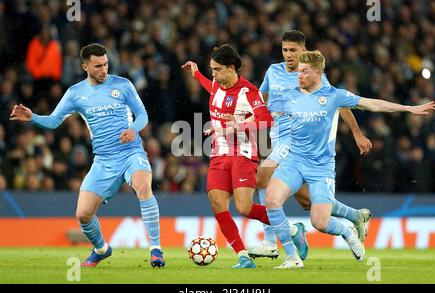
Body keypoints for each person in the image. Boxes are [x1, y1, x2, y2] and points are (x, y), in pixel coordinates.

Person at [265, 50, 435, 269]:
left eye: (304, 72)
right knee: (272, 200)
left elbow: (372, 104)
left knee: (320, 222)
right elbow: (263, 112)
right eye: (298, 71)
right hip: (294, 161)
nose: (299, 76)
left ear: (318, 73)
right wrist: (237, 122)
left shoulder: (335, 96)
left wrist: (408, 108)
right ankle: (292, 258)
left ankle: (347, 230)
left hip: (321, 167)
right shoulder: (290, 96)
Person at [10, 43, 165, 268]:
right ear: (85, 66)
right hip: (103, 160)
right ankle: (101, 249)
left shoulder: (123, 85)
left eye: (106, 64)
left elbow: (142, 115)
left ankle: (156, 249)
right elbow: (54, 121)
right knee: (83, 214)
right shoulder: (75, 93)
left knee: (143, 186)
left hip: (131, 152)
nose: (104, 69)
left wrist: (134, 129)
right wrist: (33, 116)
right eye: (98, 66)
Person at [250, 30, 373, 259]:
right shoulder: (273, 71)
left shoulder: (310, 75)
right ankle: (354, 217)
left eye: (293, 50)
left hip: (294, 139)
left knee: (262, 177)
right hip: (277, 137)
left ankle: (270, 241)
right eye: (285, 50)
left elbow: (338, 103)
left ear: (303, 51)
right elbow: (261, 98)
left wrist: (357, 133)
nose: (288, 54)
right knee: (308, 202)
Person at [181, 44, 285, 268]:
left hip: (243, 153)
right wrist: (196, 73)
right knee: (217, 202)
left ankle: (292, 229)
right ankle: (243, 256)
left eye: (217, 70)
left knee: (244, 208)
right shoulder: (217, 86)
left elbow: (267, 119)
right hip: (219, 153)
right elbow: (212, 88)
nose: (214, 74)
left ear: (231, 68)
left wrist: (238, 125)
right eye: (212, 69)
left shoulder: (248, 92)